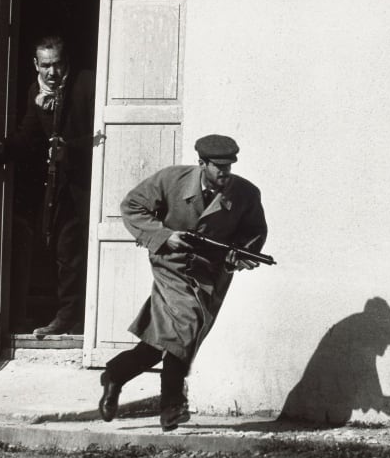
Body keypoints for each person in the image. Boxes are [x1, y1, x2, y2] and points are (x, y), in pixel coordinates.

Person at [98, 134, 268, 431]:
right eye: (219, 167)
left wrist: (238, 257)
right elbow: (132, 206)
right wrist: (164, 236)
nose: (225, 173)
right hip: (171, 265)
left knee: (161, 341)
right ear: (201, 163)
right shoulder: (171, 180)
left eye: (229, 166)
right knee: (187, 324)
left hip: (209, 273)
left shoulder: (245, 193)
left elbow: (254, 232)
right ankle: (172, 406)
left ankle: (115, 374)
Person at [0, 35, 95, 336]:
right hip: (62, 186)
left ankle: (89, 320)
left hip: (92, 182)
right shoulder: (34, 92)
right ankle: (68, 317)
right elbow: (29, 135)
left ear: (67, 63)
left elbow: (103, 134)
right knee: (66, 251)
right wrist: (1, 146)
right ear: (36, 65)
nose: (52, 74)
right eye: (46, 67)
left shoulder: (89, 84)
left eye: (58, 65)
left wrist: (72, 149)